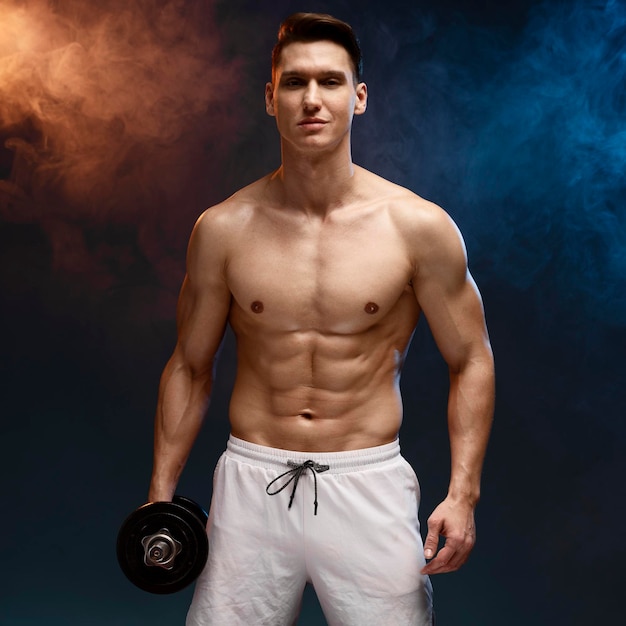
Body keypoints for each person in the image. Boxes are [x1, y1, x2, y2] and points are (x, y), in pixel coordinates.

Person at [148, 12, 494, 626]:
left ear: (358, 98)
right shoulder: (223, 229)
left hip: (367, 485)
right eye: (295, 82)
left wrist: (462, 494)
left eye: (331, 82)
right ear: (270, 96)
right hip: (251, 486)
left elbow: (471, 359)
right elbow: (190, 366)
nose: (312, 100)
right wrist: (159, 495)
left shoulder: (416, 228)